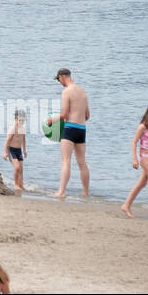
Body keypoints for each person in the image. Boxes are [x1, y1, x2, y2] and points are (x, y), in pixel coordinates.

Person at [48, 68, 90, 199]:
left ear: (62, 77)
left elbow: (64, 114)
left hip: (70, 128)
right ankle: (85, 193)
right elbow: (87, 115)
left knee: (66, 161)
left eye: (59, 79)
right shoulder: (83, 91)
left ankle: (61, 192)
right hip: (82, 129)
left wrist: (52, 119)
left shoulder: (66, 92)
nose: (59, 82)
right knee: (82, 163)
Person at [4, 108, 27, 192]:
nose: (21, 122)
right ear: (15, 119)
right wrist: (5, 152)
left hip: (19, 150)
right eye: (19, 120)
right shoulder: (13, 129)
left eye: (23, 120)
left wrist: (24, 150)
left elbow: (23, 139)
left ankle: (21, 185)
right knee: (17, 167)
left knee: (21, 169)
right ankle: (16, 185)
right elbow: (7, 140)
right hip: (11, 150)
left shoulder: (23, 129)